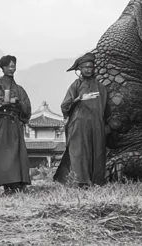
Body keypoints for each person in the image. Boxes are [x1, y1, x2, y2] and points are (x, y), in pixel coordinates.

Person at [53, 52, 108, 187]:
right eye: (85, 67)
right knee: (79, 152)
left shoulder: (100, 87)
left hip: (96, 124)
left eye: (91, 67)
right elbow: (64, 105)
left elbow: (106, 107)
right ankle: (81, 181)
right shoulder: (75, 86)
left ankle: (96, 181)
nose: (89, 69)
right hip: (78, 125)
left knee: (97, 152)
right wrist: (79, 99)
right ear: (80, 69)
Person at [0, 55, 32, 193]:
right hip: (1, 126)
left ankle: (19, 183)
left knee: (17, 155)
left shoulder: (19, 89)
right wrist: (1, 103)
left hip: (15, 125)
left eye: (13, 66)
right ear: (2, 68)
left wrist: (19, 104)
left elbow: (27, 107)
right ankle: (6, 184)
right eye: (9, 66)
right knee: (3, 156)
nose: (12, 68)